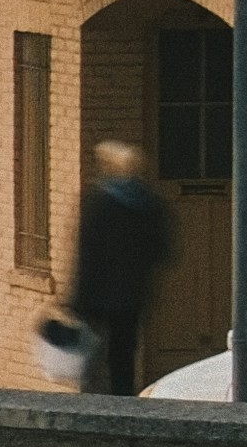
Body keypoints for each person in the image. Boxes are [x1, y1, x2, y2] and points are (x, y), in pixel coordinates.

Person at [50, 137, 177, 393]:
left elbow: (86, 254)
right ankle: (123, 401)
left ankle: (92, 405)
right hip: (133, 293)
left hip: (95, 294)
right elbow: (162, 251)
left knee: (89, 354)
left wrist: (75, 298)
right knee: (124, 352)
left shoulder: (97, 202)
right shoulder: (151, 204)